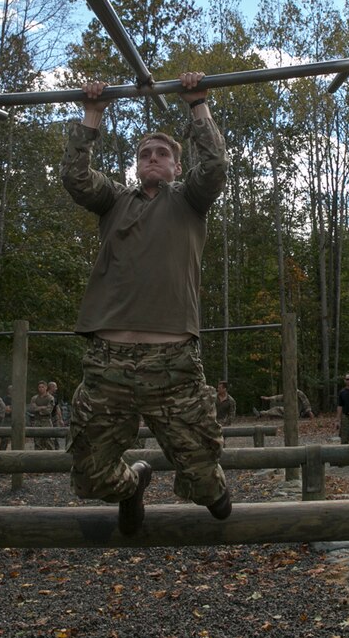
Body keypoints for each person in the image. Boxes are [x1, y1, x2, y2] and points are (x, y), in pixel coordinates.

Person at [60, 71, 232, 536]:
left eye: (162, 154)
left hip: (172, 364)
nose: (153, 158)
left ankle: (208, 487)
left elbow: (214, 167)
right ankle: (131, 483)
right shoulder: (114, 200)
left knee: (206, 487)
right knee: (90, 476)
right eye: (144, 154)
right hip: (107, 362)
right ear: (136, 166)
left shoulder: (190, 200)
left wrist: (198, 105)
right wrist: (92, 113)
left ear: (176, 166)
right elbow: (75, 177)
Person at [28, 380, 56, 450]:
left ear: (46, 388)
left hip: (46, 422)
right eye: (39, 387)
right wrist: (42, 407)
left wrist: (38, 408)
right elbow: (31, 409)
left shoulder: (50, 398)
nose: (41, 388)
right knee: (37, 441)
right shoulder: (34, 398)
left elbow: (48, 410)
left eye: (42, 387)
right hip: (37, 421)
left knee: (49, 441)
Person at [215, 381, 237, 447]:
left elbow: (232, 414)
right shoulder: (213, 397)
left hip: (223, 423)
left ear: (225, 389)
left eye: (219, 388)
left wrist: (227, 423)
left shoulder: (231, 401)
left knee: (221, 442)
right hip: (212, 422)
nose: (217, 389)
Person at [48, 381, 65, 449]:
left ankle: (57, 448)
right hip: (47, 417)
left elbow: (57, 408)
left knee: (56, 432)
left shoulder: (55, 396)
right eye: (55, 387)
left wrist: (60, 419)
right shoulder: (46, 396)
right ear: (51, 387)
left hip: (54, 416)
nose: (56, 388)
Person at [0, 385, 14, 451]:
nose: (12, 391)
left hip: (15, 420)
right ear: (8, 391)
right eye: (10, 390)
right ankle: (1, 453)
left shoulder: (17, 399)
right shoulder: (5, 399)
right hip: (6, 420)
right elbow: (6, 410)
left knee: (15, 439)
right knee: (4, 438)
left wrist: (10, 408)